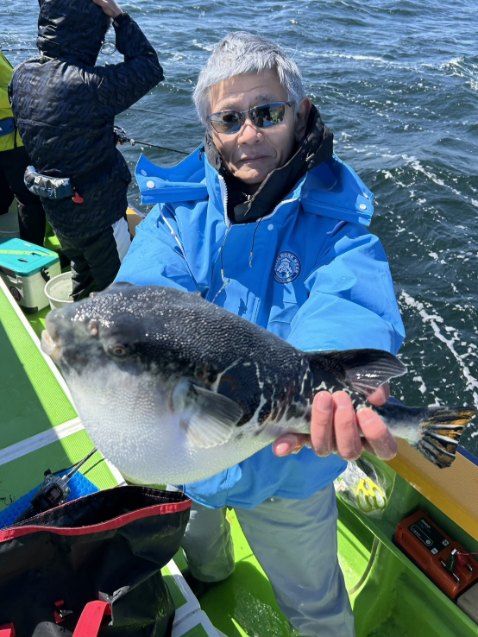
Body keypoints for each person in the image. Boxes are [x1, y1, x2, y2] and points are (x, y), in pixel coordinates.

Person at [117, 32, 405, 636]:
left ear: (300, 113)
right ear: (211, 131)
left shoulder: (338, 227)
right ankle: (211, 572)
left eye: (267, 113)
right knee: (201, 547)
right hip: (191, 453)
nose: (249, 134)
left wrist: (324, 384)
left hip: (289, 467)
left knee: (315, 601)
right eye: (229, 119)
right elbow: (145, 294)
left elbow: (349, 301)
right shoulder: (177, 216)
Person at [10, 0, 163, 300]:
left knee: (82, 275)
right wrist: (119, 17)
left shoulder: (21, 76)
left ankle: (77, 324)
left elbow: (50, 130)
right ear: (87, 32)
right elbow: (149, 66)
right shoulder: (90, 85)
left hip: (57, 211)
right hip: (99, 216)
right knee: (120, 294)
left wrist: (96, 136)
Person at [0, 50, 46, 244]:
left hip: (8, 141)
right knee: (29, 197)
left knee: (4, 191)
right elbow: (10, 94)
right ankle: (33, 248)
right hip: (10, 141)